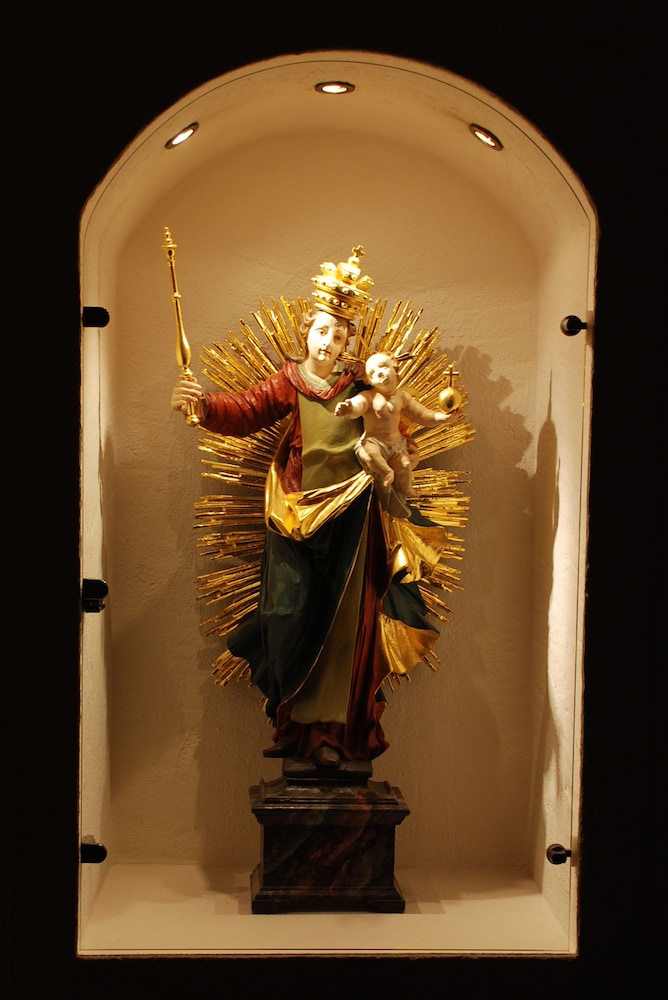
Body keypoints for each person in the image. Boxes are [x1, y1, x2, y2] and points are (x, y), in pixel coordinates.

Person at [171, 248, 447, 768]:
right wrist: (201, 404)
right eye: (322, 331)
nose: (328, 342)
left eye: (339, 336)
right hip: (295, 513)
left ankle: (332, 735)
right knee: (286, 612)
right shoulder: (289, 381)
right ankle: (294, 722)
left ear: (348, 343)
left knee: (348, 623)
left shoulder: (361, 384)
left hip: (354, 513)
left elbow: (392, 427)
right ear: (306, 332)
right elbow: (246, 410)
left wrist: (404, 454)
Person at [335, 351, 457, 507]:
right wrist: (349, 408)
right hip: (374, 441)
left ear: (394, 368)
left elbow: (422, 415)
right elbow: (358, 405)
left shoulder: (402, 397)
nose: (379, 373)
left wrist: (443, 418)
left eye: (383, 366)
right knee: (370, 455)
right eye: (372, 373)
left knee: (405, 465)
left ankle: (406, 488)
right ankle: (386, 472)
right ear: (368, 380)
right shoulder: (369, 396)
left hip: (397, 445)